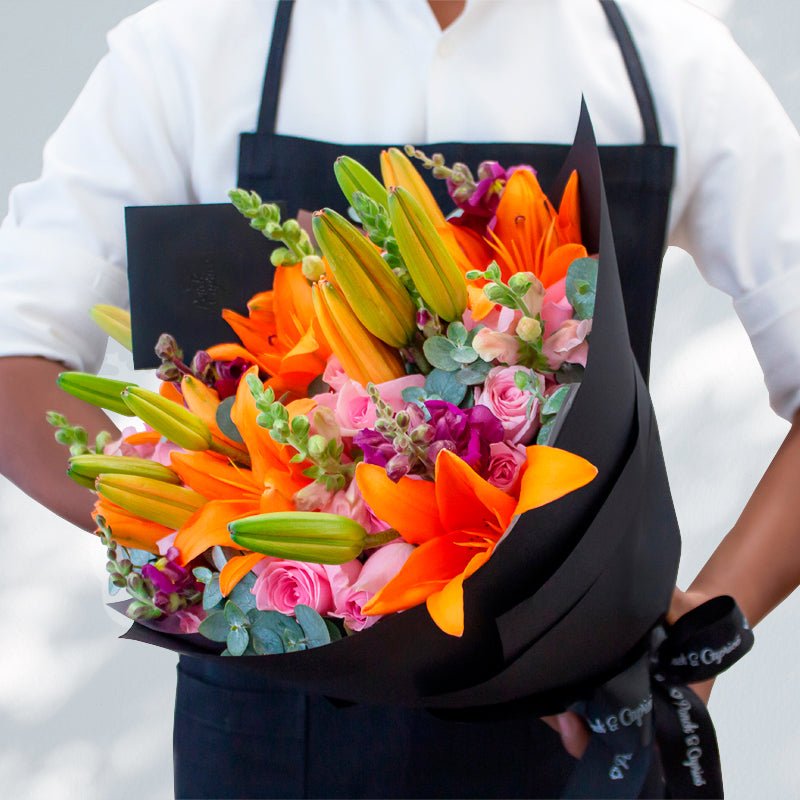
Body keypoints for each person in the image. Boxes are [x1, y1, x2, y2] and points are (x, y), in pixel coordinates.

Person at [2, 0, 800, 796]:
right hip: (271, 743)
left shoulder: (671, 61)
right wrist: (219, 543)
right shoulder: (189, 52)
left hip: (580, 732)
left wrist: (690, 637)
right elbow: (15, 357)